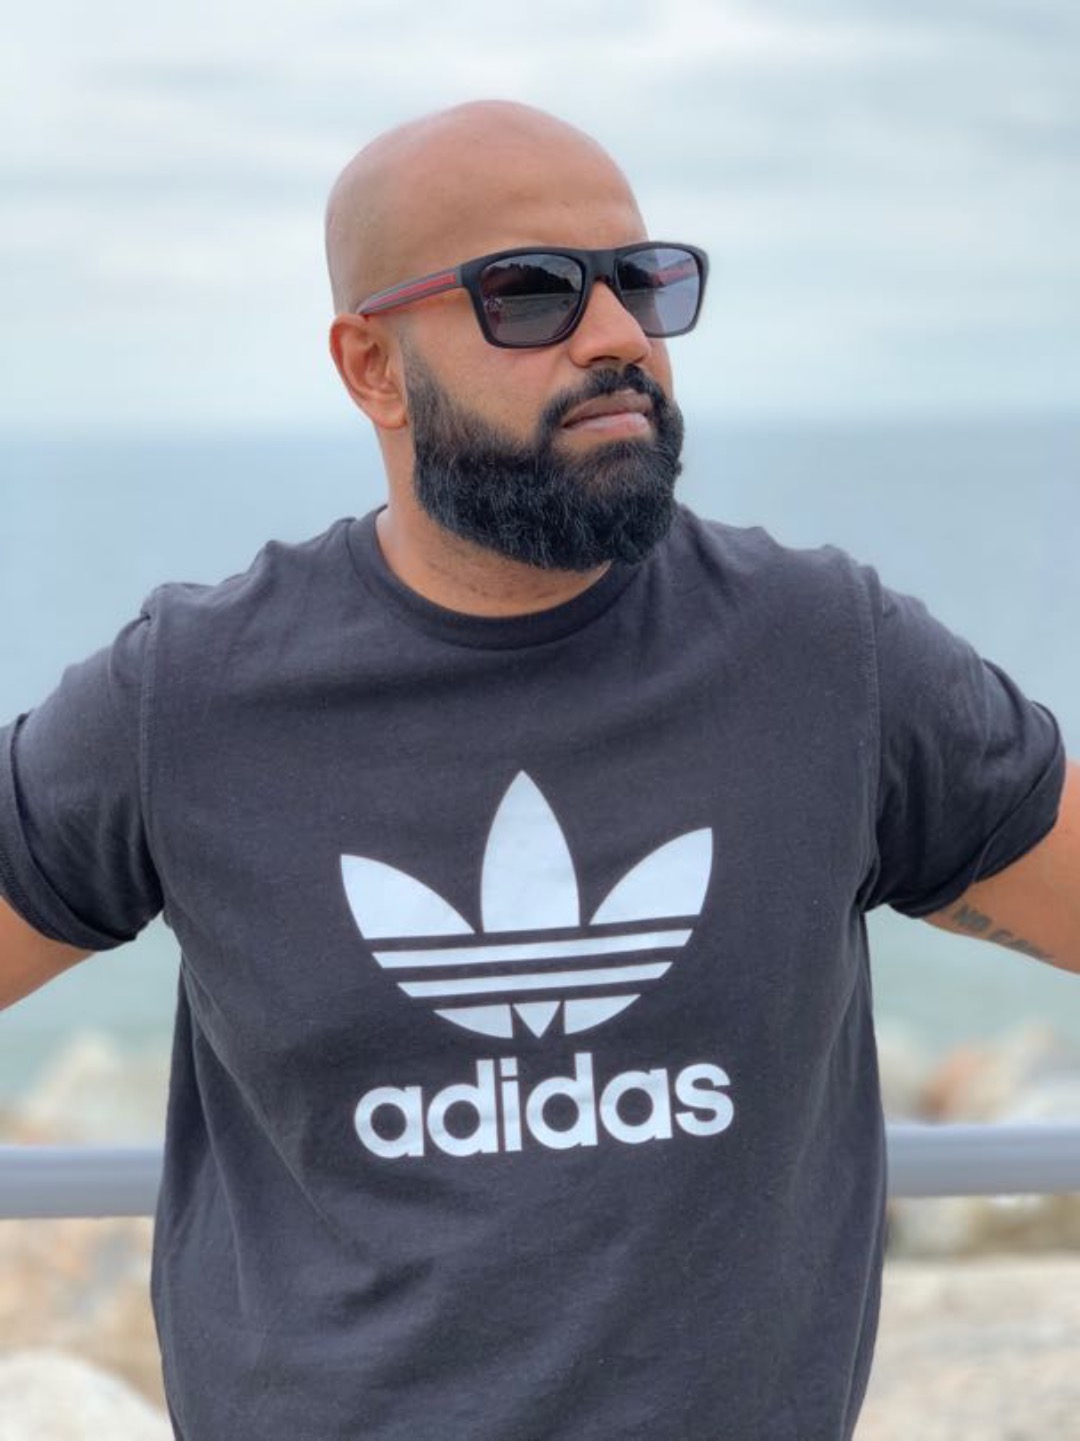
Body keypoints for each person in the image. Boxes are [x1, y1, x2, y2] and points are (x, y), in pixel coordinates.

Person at [0, 99, 1077, 1440]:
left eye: (643, 281)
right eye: (530, 293)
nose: (618, 333)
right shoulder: (194, 694)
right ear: (372, 367)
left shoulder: (825, 657)